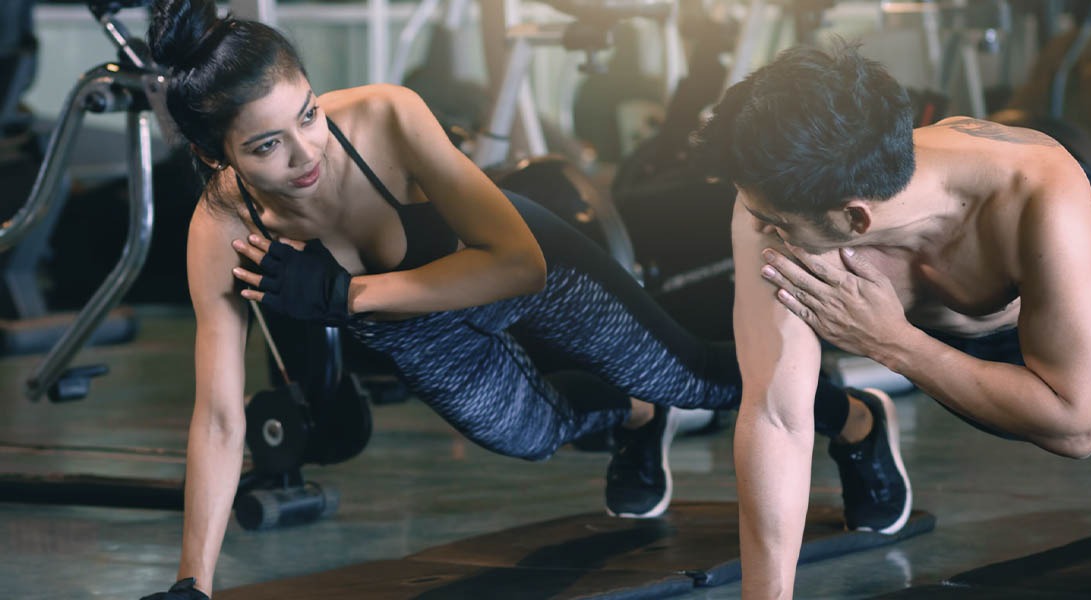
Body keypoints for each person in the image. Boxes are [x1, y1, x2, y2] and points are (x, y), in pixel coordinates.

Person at [137, 3, 912, 598]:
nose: (306, 153)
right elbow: (219, 416)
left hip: (526, 268)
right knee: (533, 435)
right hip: (421, 333)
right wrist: (190, 585)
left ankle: (855, 421)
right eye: (267, 145)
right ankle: (639, 417)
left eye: (308, 115)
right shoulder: (219, 230)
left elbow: (517, 267)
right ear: (215, 156)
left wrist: (350, 294)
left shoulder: (386, 118)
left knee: (705, 380)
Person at [691, 42, 1091, 599]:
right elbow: (776, 417)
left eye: (773, 221)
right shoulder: (771, 201)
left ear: (854, 216)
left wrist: (891, 342)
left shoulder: (1034, 189)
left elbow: (1078, 429)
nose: (761, 229)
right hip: (982, 344)